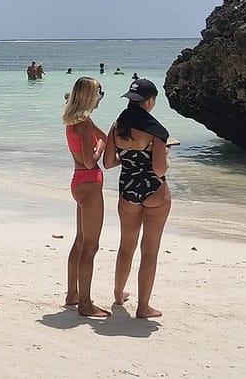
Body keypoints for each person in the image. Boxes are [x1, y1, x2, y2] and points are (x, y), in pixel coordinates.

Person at [103, 78, 172, 319]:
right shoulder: (157, 131)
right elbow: (159, 169)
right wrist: (165, 154)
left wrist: (129, 158)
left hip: (128, 191)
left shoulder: (117, 127)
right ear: (150, 101)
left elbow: (108, 162)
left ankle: (118, 295)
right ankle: (143, 307)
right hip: (154, 192)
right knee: (149, 250)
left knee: (126, 246)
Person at [62, 77, 110, 317]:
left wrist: (102, 138)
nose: (101, 97)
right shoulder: (84, 123)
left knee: (80, 241)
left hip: (79, 181)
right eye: (100, 93)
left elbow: (105, 136)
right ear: (91, 95)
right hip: (89, 183)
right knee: (91, 246)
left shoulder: (75, 120)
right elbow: (91, 160)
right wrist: (100, 146)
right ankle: (85, 303)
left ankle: (73, 293)